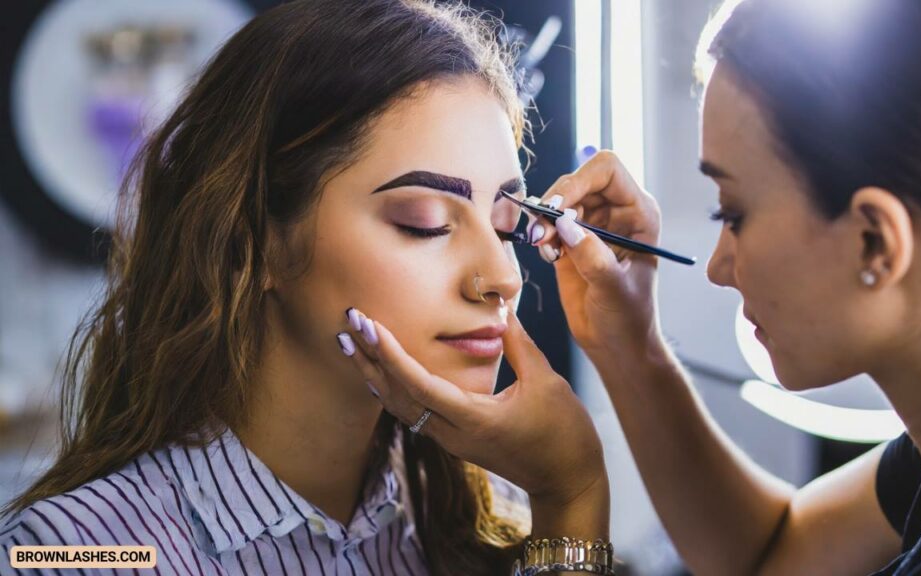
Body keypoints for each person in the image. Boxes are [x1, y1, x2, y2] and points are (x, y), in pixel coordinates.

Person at [347, 0, 921, 574]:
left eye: (733, 213)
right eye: (427, 222)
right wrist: (628, 340)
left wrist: (569, 494)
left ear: (876, 241)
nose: (720, 265)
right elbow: (768, 552)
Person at [0, 1, 611, 574]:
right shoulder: (71, 552)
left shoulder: (512, 516)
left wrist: (568, 502)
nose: (502, 278)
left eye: (506, 227)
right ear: (258, 240)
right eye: (422, 223)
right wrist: (571, 496)